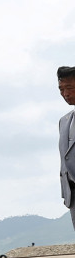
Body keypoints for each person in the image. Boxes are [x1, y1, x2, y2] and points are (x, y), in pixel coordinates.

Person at [57, 66, 75, 230]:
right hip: (73, 196)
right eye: (61, 89)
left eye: (69, 88)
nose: (65, 94)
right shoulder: (64, 121)